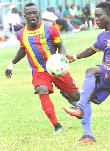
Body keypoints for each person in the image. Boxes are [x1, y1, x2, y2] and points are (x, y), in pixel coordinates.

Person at [63, 2, 110, 145]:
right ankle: (88, 136)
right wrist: (75, 57)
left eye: (99, 16)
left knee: (91, 71)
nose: (96, 19)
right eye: (95, 16)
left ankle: (79, 108)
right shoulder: (102, 36)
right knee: (86, 98)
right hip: (107, 75)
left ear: (109, 15)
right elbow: (91, 50)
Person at [5, 2, 80, 133]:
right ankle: (57, 126)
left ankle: (66, 94)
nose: (32, 15)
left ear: (38, 14)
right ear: (24, 17)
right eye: (29, 14)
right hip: (39, 71)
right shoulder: (21, 34)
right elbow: (23, 50)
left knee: (76, 97)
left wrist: (61, 59)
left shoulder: (49, 28)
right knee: (41, 90)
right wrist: (11, 65)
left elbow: (61, 45)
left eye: (34, 12)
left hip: (56, 69)